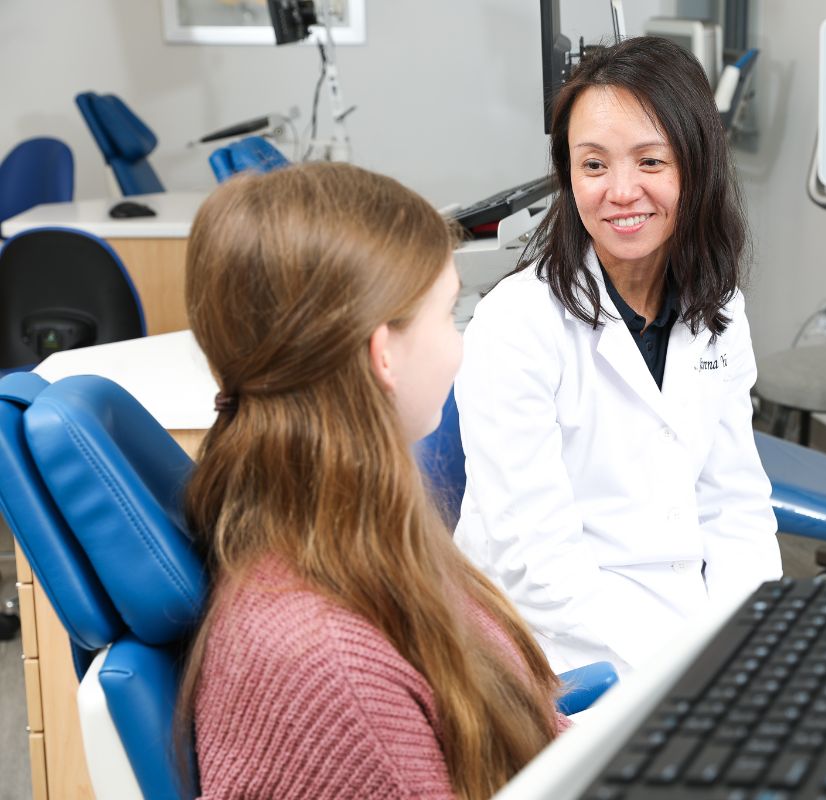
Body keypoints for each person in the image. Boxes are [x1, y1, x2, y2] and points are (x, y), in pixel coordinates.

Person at [175, 163, 567, 800]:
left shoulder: (350, 541)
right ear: (383, 353)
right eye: (449, 314)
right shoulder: (323, 664)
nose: (459, 345)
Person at [453, 37, 781, 677]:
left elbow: (733, 504)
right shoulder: (517, 324)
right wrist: (685, 665)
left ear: (696, 165)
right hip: (553, 648)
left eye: (650, 161)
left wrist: (753, 639)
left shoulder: (721, 308)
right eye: (594, 165)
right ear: (568, 174)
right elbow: (538, 564)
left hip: (685, 626)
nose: (621, 191)